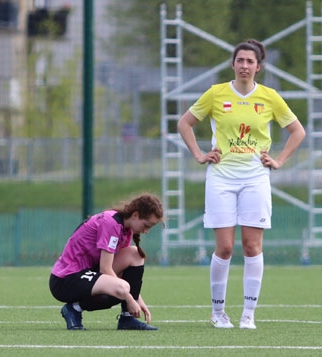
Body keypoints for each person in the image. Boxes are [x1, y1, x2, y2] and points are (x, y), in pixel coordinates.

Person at [177, 39, 306, 329]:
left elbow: (297, 131)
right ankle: (218, 313)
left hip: (255, 179)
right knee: (224, 248)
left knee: (252, 246)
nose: (245, 66)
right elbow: (184, 123)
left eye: (250, 61)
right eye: (240, 60)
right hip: (221, 178)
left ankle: (248, 314)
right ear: (233, 64)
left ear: (259, 67)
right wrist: (199, 154)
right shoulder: (215, 94)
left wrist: (279, 160)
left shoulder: (270, 97)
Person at [49, 193, 163, 330]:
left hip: (88, 273)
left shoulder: (125, 230)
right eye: (146, 225)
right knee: (121, 289)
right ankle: (73, 309)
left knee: (135, 255)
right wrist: (130, 299)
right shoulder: (111, 223)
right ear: (135, 215)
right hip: (66, 279)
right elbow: (106, 269)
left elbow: (120, 275)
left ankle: (128, 319)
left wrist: (138, 299)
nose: (147, 231)